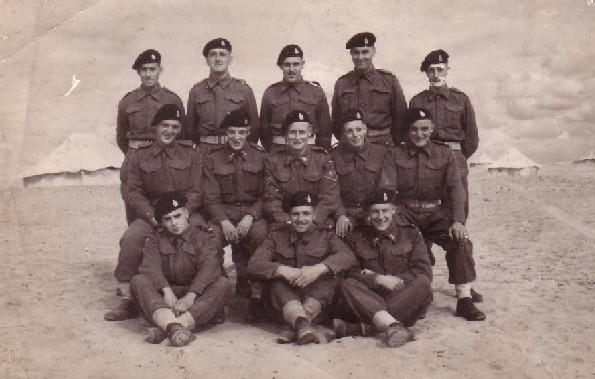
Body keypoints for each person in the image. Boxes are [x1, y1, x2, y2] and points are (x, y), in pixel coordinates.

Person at [380, 108, 485, 321]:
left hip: (435, 213)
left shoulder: (444, 153)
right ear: (407, 131)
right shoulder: (395, 154)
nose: (420, 134)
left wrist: (458, 221)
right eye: (414, 130)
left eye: (425, 129)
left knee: (460, 241)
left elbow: (456, 188)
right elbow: (387, 188)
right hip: (406, 213)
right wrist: (393, 219)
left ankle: (464, 298)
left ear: (432, 129)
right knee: (393, 244)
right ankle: (406, 292)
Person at [105, 104, 206, 321]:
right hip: (152, 215)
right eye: (165, 126)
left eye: (175, 126)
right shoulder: (140, 155)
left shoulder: (191, 153)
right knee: (132, 238)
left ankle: (201, 295)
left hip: (185, 214)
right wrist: (153, 218)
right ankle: (128, 299)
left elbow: (197, 191)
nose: (170, 131)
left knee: (204, 235)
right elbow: (134, 192)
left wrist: (183, 215)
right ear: (156, 127)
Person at [247, 191, 356, 345]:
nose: (301, 219)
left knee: (330, 277)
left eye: (306, 214)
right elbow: (254, 264)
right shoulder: (276, 236)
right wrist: (283, 270)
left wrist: (318, 269)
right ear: (289, 216)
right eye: (296, 214)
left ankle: (296, 325)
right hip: (286, 300)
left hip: (317, 302)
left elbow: (347, 256)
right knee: (276, 280)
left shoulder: (325, 234)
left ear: (314, 215)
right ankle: (302, 324)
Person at [333, 188, 433, 348]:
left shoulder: (410, 234)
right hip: (367, 297)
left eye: (385, 211)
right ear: (367, 213)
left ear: (393, 210)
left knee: (423, 283)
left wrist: (397, 281)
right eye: (375, 212)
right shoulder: (355, 237)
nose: (381, 217)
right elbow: (350, 273)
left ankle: (366, 327)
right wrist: (377, 279)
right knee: (347, 285)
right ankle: (392, 326)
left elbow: (423, 270)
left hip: (401, 295)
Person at [130, 193, 231, 347]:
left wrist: (191, 296)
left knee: (223, 284)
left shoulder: (204, 237)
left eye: (177, 216)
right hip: (166, 296)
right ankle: (176, 327)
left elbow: (208, 269)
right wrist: (166, 291)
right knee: (138, 281)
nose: (174, 223)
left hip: (195, 295)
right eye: (167, 219)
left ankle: (169, 327)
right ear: (162, 222)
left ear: (186, 213)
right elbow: (151, 266)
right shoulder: (155, 238)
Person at [202, 108, 269, 320]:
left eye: (241, 132)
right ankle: (218, 296)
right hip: (223, 215)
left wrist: (251, 216)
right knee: (210, 239)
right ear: (225, 134)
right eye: (232, 133)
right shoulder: (212, 158)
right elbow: (210, 198)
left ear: (248, 131)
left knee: (262, 236)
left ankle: (257, 295)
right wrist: (223, 222)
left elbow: (266, 194)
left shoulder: (261, 157)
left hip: (252, 214)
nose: (237, 137)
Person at [116, 49, 186, 225]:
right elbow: (121, 138)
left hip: (164, 161)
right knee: (135, 217)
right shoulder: (127, 102)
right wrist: (137, 154)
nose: (148, 74)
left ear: (160, 70)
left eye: (152, 69)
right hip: (135, 160)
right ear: (139, 72)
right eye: (144, 70)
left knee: (168, 216)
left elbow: (182, 134)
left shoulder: (172, 100)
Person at [409, 49, 479, 219]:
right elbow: (410, 134)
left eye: (440, 69)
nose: (436, 74)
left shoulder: (461, 100)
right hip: (426, 158)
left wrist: (457, 155)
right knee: (426, 209)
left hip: (454, 158)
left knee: (458, 208)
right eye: (431, 70)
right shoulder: (417, 101)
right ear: (426, 73)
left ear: (447, 69)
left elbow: (471, 139)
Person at [263, 110, 342, 229]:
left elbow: (330, 196)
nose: (297, 137)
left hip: (316, 223)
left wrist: (314, 219)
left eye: (302, 132)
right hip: (285, 223)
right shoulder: (273, 161)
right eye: (293, 132)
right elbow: (271, 198)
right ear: (285, 134)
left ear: (309, 133)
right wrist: (285, 220)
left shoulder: (323, 159)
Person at [331, 32, 407, 147]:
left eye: (365, 52)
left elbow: (401, 118)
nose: (360, 57)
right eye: (356, 53)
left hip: (382, 145)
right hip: (351, 146)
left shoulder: (389, 81)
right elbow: (336, 121)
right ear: (351, 54)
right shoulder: (342, 84)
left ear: (373, 52)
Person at [186, 38, 260, 152]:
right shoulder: (196, 91)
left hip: (235, 150)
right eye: (213, 55)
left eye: (222, 54)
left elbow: (254, 128)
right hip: (206, 151)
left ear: (230, 59)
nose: (218, 59)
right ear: (207, 60)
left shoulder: (244, 90)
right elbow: (190, 129)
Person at [260, 44, 332, 152]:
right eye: (287, 65)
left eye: (296, 64)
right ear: (281, 66)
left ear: (302, 64)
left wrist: (318, 157)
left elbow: (325, 131)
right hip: (279, 153)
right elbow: (264, 132)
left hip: (310, 152)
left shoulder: (316, 92)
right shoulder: (270, 93)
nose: (291, 69)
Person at [330, 109, 390, 237]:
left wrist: (373, 212)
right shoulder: (335, 155)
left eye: (358, 129)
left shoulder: (381, 152)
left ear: (365, 130)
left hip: (373, 211)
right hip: (347, 212)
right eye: (349, 131)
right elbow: (331, 190)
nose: (355, 135)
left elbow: (386, 185)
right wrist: (340, 215)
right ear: (343, 134)